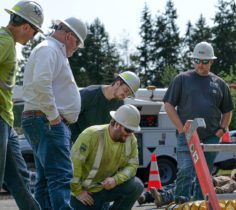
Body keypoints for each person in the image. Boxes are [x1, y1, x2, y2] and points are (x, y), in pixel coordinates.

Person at [21, 17, 88, 209]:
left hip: (43, 121)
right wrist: (55, 118)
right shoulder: (49, 49)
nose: (75, 49)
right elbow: (41, 84)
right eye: (77, 43)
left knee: (45, 180)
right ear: (68, 36)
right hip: (48, 122)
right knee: (60, 176)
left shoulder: (50, 50)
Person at [163, 41, 234, 202]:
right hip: (187, 135)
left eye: (204, 61)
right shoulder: (182, 79)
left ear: (211, 61)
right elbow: (168, 105)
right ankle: (182, 204)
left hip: (211, 136)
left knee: (205, 174)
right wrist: (182, 129)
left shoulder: (220, 84)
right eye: (197, 60)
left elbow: (228, 110)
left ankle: (200, 204)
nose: (200, 65)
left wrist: (222, 130)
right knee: (185, 170)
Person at [0, 1, 44, 209]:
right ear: (26, 27)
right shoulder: (4, 41)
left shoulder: (7, 41)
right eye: (34, 32)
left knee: (20, 179)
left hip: (6, 120)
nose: (32, 38)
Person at [70, 104, 144, 210]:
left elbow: (132, 166)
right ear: (116, 124)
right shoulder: (91, 135)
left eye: (132, 131)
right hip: (85, 193)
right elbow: (74, 165)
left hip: (105, 189)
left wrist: (115, 180)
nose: (129, 135)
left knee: (137, 186)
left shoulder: (130, 140)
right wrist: (77, 192)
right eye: (127, 130)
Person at [70, 71, 140, 143]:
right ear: (117, 83)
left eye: (129, 94)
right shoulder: (89, 94)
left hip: (96, 146)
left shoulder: (119, 104)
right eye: (126, 90)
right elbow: (69, 117)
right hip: (75, 142)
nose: (125, 96)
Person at [138, 170, 236, 207]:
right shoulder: (230, 181)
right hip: (204, 182)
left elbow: (223, 190)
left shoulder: (232, 183)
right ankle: (147, 197)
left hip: (205, 184)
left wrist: (209, 188)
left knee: (178, 188)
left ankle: (160, 198)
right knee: (175, 186)